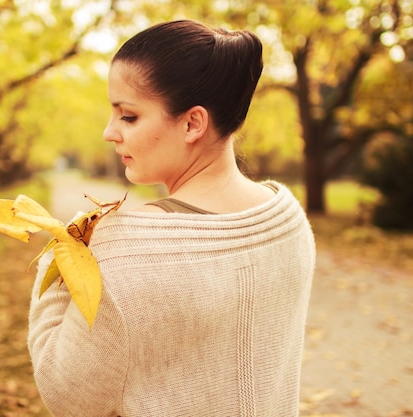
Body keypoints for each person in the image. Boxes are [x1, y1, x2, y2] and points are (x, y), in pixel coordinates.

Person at [28, 19, 315, 416]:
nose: (109, 133)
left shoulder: (125, 249)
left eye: (128, 117)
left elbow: (70, 396)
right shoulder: (286, 219)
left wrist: (62, 252)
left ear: (192, 123)